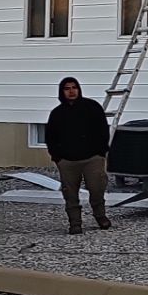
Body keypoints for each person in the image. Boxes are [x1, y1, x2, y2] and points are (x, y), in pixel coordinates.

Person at [45, 76, 112, 235]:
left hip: (92, 158)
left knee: (97, 189)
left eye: (74, 87)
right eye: (67, 88)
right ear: (62, 92)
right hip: (67, 161)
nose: (71, 91)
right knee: (70, 194)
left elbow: (103, 130)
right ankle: (75, 223)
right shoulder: (57, 113)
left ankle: (100, 216)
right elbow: (50, 137)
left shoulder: (92, 107)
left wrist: (101, 152)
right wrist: (58, 157)